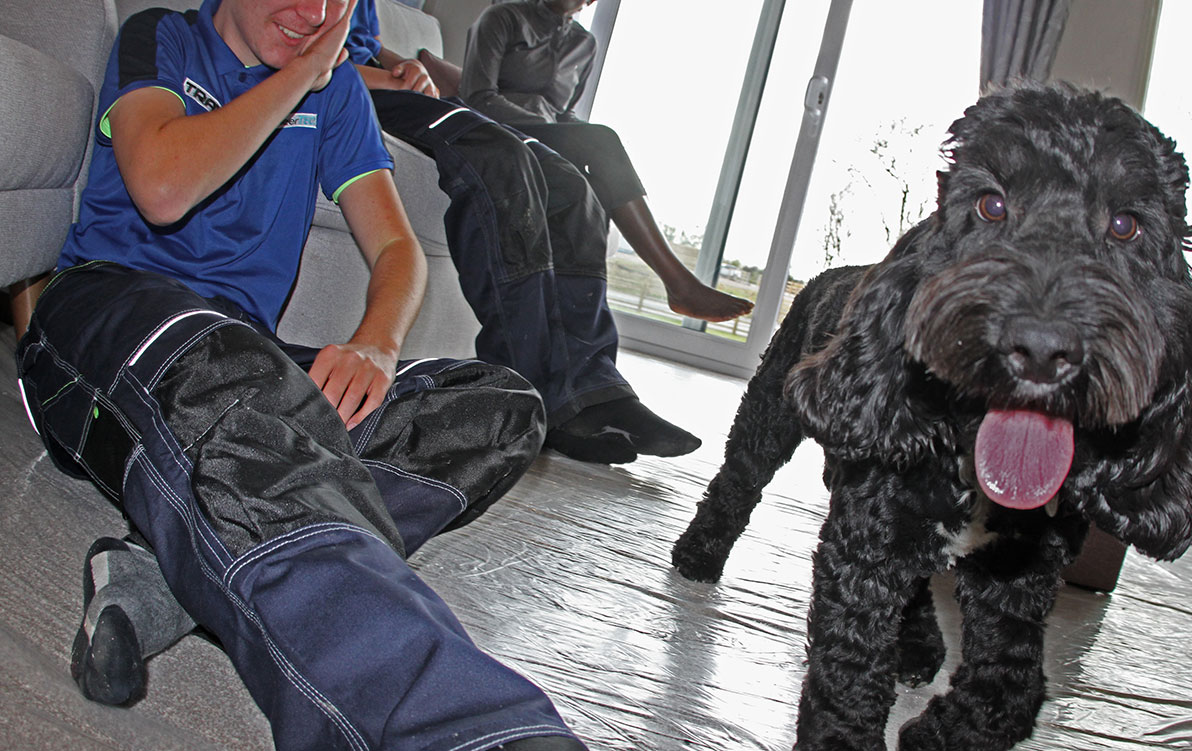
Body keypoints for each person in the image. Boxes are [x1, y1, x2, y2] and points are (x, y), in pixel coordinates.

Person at [18, 0, 584, 748]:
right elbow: (161, 187)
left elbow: (397, 251)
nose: (315, 11)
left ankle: (174, 568)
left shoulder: (339, 91)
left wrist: (377, 343)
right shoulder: (162, 36)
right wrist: (301, 76)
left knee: (501, 407)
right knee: (240, 387)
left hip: (244, 359)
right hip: (110, 315)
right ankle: (456, 726)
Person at [349, 0, 714, 465]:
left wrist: (403, 64)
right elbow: (298, 54)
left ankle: (598, 390)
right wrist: (384, 78)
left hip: (394, 87)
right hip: (352, 92)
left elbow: (364, 42)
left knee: (570, 184)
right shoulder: (502, 19)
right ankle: (527, 391)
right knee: (503, 158)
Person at [419, 0, 753, 325]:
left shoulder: (585, 44)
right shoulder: (502, 17)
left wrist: (569, 134)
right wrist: (560, 132)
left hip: (546, 141)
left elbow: (565, 111)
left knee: (594, 179)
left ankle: (572, 327)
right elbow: (479, 97)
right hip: (494, 131)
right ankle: (680, 284)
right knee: (602, 139)